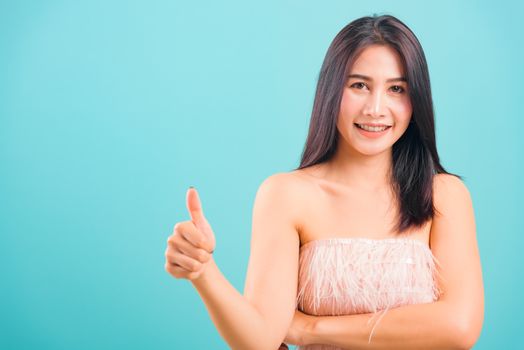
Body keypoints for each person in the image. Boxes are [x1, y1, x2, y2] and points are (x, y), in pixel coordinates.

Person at [164, 14, 484, 349]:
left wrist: (309, 330)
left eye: (396, 89)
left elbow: (459, 328)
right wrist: (203, 272)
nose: (376, 108)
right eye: (359, 85)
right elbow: (259, 341)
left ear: (415, 99)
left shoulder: (444, 196)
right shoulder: (287, 195)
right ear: (331, 89)